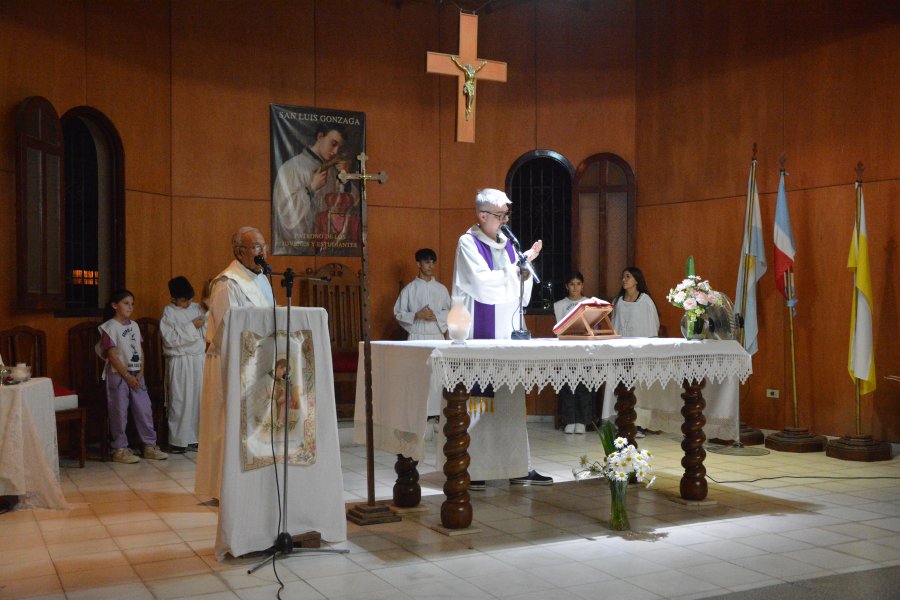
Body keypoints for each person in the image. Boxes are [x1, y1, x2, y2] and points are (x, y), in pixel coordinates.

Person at [451, 188, 552, 488]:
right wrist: (516, 269)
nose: (506, 220)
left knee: (509, 403)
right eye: (500, 215)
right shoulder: (467, 243)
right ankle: (474, 468)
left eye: (507, 214)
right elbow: (482, 287)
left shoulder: (509, 245)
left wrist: (524, 267)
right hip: (479, 337)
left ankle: (518, 466)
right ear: (482, 216)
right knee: (480, 405)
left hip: (506, 335)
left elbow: (522, 291)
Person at [195, 226, 275, 499]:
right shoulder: (227, 283)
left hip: (258, 361)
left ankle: (250, 482)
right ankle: (222, 488)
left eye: (264, 246)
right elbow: (227, 328)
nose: (262, 252)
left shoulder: (262, 278)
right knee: (226, 424)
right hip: (229, 361)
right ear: (239, 252)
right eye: (256, 247)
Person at [96, 289, 168, 464]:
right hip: (118, 375)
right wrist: (127, 375)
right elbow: (112, 355)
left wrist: (141, 371)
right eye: (126, 303)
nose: (130, 307)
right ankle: (119, 449)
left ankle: (149, 446)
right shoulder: (110, 327)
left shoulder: (134, 326)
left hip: (137, 374)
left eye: (132, 304)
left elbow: (140, 350)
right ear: (114, 305)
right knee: (119, 411)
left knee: (144, 409)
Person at [272, 124, 356, 251]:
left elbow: (351, 206)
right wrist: (311, 188)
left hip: (325, 249)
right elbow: (284, 213)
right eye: (333, 144)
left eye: (339, 147)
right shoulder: (292, 168)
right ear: (320, 137)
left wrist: (346, 178)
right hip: (296, 250)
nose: (335, 152)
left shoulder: (333, 171)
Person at [603, 266, 660, 436]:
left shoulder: (645, 301)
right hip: (621, 350)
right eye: (623, 276)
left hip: (639, 351)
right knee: (618, 383)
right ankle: (619, 419)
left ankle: (639, 423)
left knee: (639, 386)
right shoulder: (618, 300)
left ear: (636, 280)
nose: (624, 279)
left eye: (628, 276)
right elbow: (613, 324)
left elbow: (652, 325)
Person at [160, 276, 206, 454]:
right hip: (180, 361)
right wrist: (191, 326)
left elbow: (207, 327)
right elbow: (170, 339)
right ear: (173, 298)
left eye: (189, 299)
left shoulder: (197, 308)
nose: (187, 303)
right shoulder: (169, 312)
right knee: (180, 400)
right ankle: (178, 440)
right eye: (183, 300)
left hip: (197, 359)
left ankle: (196, 438)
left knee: (198, 399)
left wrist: (202, 321)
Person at [553, 271, 594, 434]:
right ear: (566, 286)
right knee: (567, 384)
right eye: (572, 284)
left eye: (578, 284)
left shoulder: (589, 304)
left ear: (582, 286)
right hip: (566, 349)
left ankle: (583, 420)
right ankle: (569, 420)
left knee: (583, 385)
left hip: (584, 349)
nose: (575, 287)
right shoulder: (560, 305)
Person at [394, 248, 451, 341]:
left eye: (433, 263)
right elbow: (398, 314)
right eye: (427, 262)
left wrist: (437, 316)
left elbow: (450, 311)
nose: (431, 266)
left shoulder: (441, 289)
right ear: (418, 264)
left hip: (436, 336)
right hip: (416, 336)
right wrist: (416, 315)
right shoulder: (409, 289)